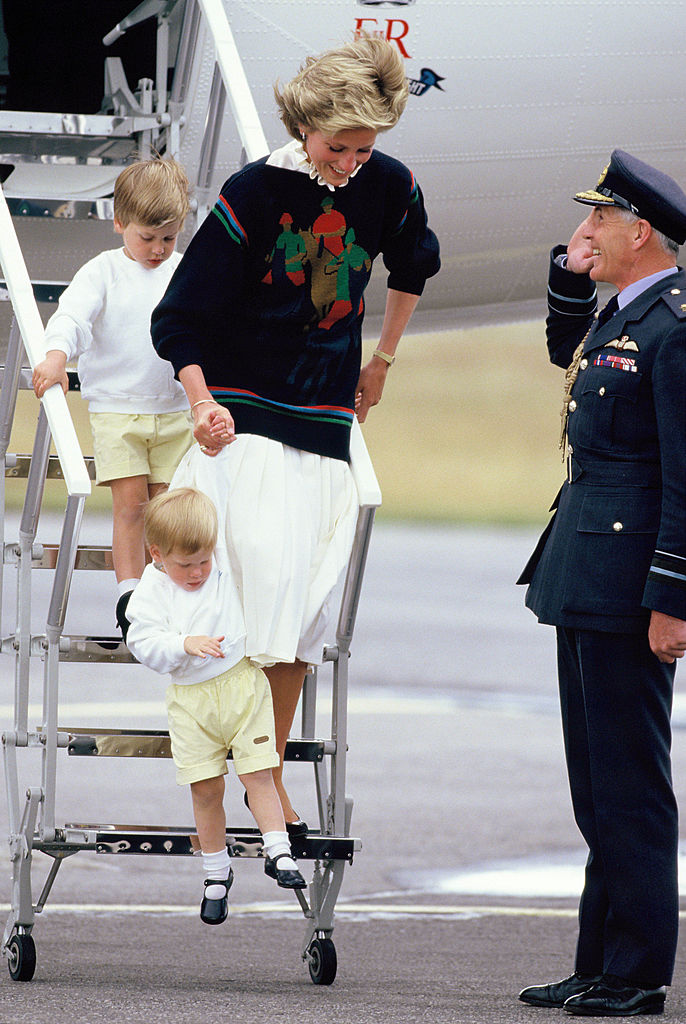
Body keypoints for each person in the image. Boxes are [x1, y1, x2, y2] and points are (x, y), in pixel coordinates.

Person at [150, 35, 440, 833]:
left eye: (364, 147)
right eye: (337, 146)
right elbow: (178, 318)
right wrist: (203, 403)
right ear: (306, 125)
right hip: (245, 432)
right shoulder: (252, 194)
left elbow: (416, 264)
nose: (350, 162)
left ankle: (261, 773)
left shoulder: (390, 185)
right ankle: (252, 778)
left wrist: (382, 359)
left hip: (325, 431)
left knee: (305, 613)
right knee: (252, 609)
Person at [517, 150, 686, 1017]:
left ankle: (640, 971)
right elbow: (567, 355)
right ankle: (601, 961)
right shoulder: (628, 313)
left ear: (639, 230)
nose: (584, 233)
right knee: (597, 786)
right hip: (585, 570)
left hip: (632, 586)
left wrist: (673, 596)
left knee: (630, 782)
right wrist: (564, 276)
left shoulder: (676, 326)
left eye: (597, 222)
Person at [125, 487, 307, 925]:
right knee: (206, 788)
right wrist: (183, 644)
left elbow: (238, 522)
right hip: (193, 701)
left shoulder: (221, 564)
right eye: (185, 565)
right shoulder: (152, 589)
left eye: (204, 561)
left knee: (259, 773)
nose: (197, 572)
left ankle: (278, 852)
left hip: (242, 687)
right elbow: (142, 641)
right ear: (157, 556)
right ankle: (215, 873)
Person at [31, 158, 194, 636]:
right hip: (118, 411)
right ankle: (130, 596)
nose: (158, 250)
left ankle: (164, 593)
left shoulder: (183, 272)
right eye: (147, 237)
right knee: (131, 507)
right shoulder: (101, 271)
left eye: (169, 238)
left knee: (168, 512)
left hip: (174, 412)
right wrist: (56, 356)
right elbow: (72, 319)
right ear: (120, 222)